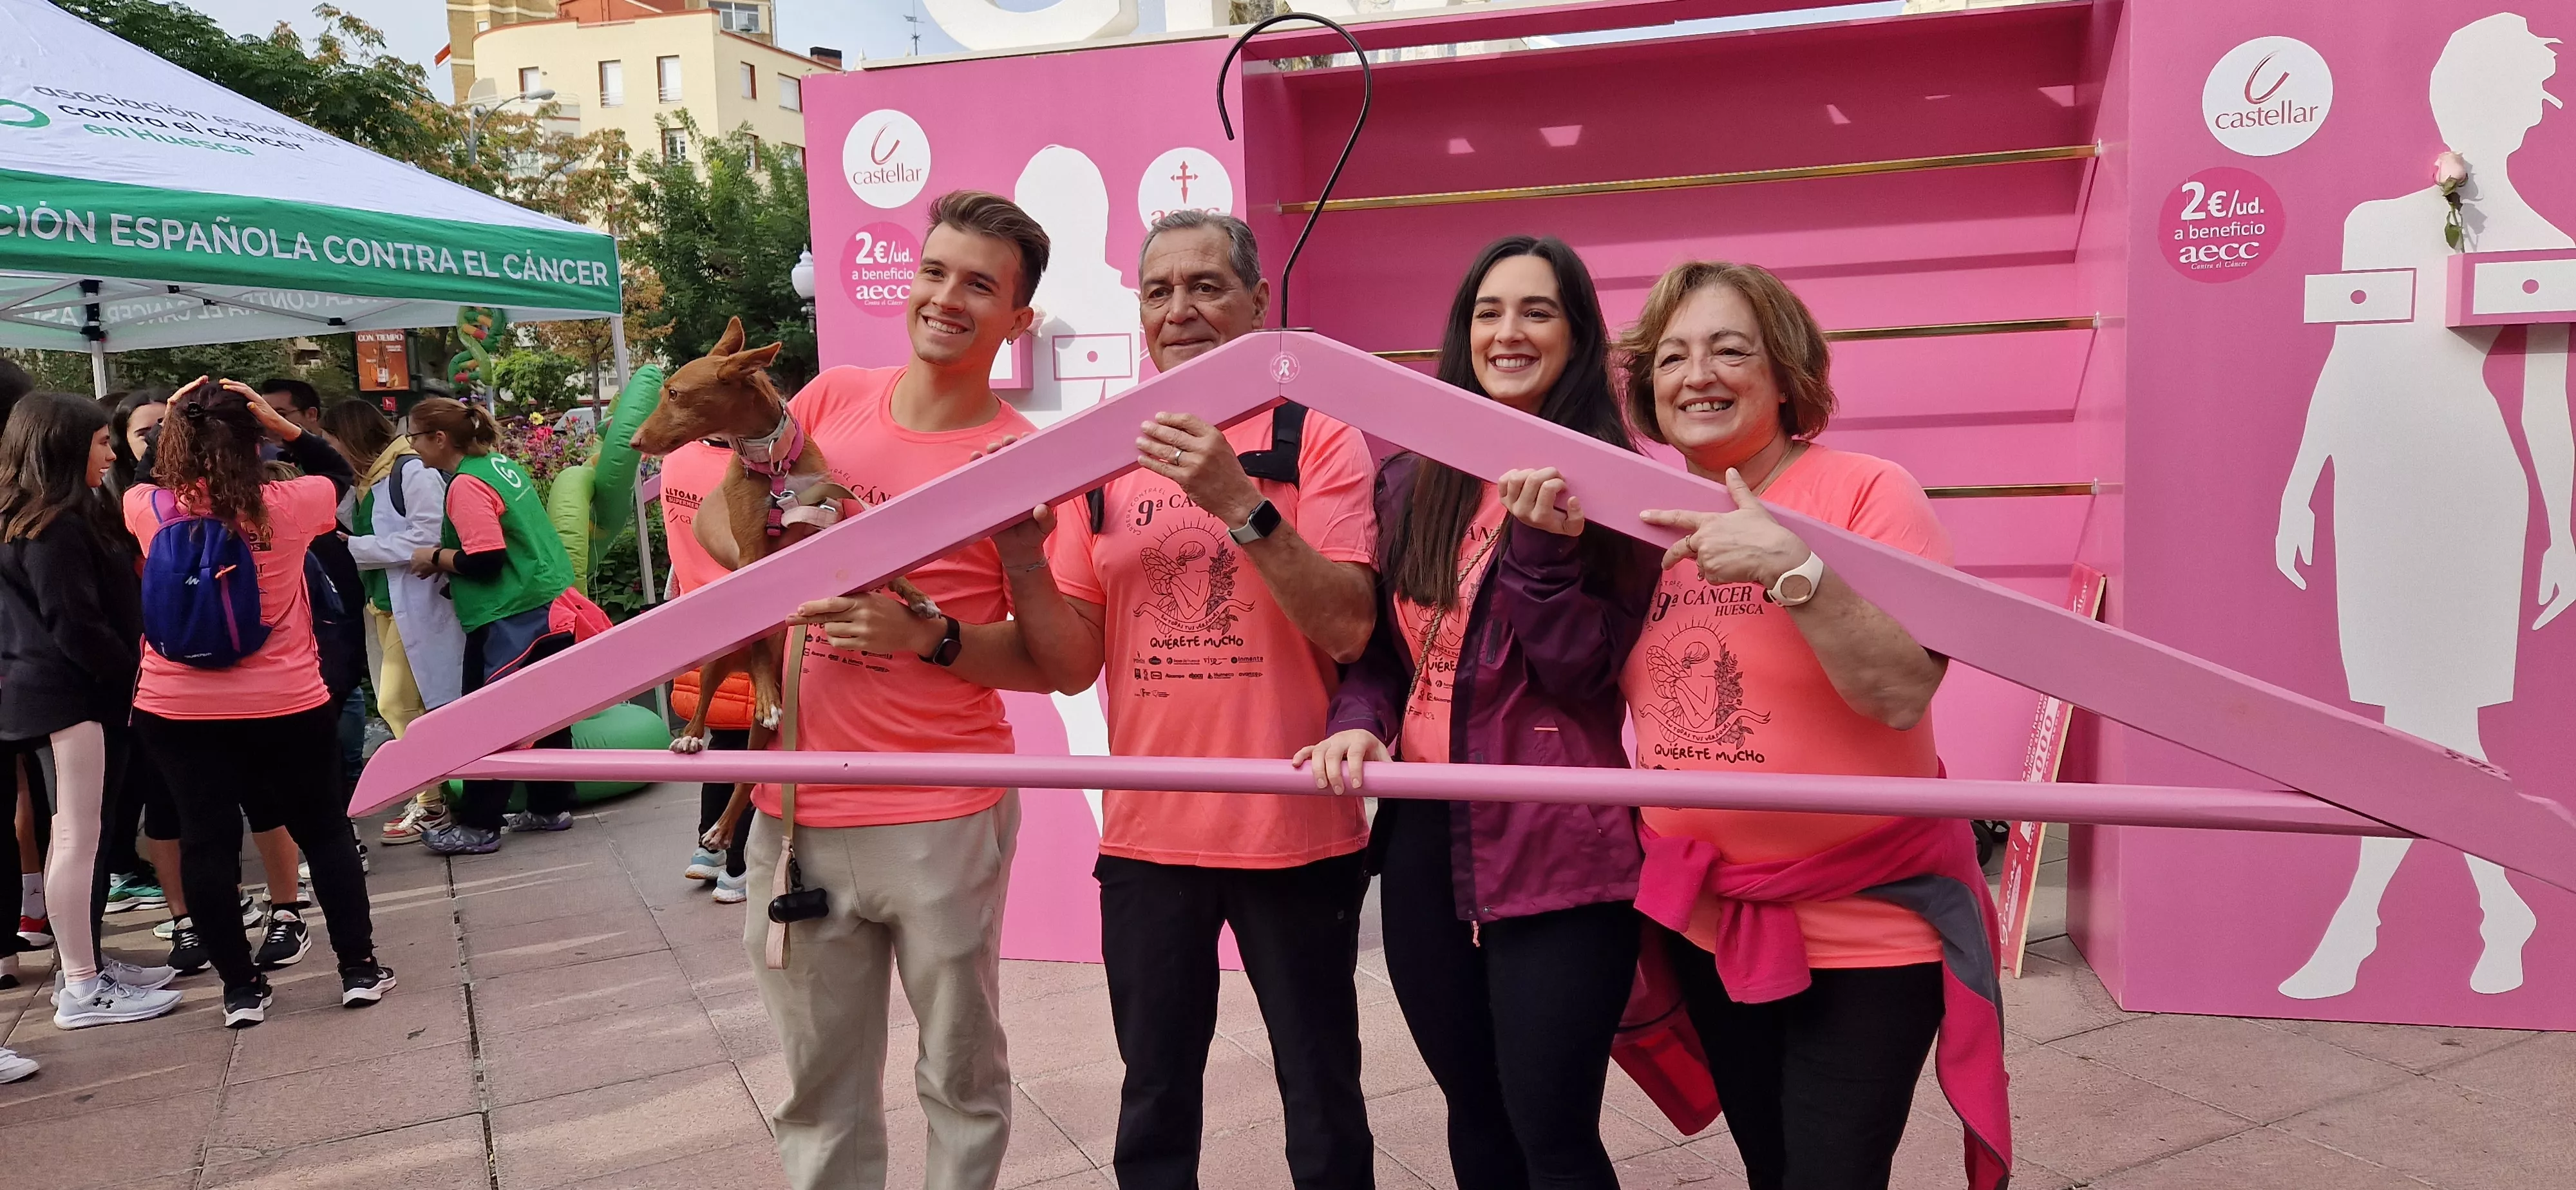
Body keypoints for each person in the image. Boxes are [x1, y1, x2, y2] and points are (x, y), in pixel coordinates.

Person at [1007, 210, 1379, 1189]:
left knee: (1323, 1094)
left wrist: (1237, 500)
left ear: (1259, 303)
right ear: (1140, 309)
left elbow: (1349, 627)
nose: (1183, 309)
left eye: (1208, 286)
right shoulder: (1098, 453)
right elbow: (1071, 662)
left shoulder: (1319, 436)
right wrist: (1020, 564)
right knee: (1155, 1096)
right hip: (1147, 836)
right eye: (1161, 290)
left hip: (1295, 832)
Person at [1615, 262, 2008, 1190]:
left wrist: (1799, 571)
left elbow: (1900, 693)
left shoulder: (1869, 491)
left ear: (1786, 373)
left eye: (1729, 349)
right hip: (1711, 922)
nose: (1696, 374)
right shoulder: (1638, 521)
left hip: (1873, 920)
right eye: (1673, 356)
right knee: (1771, 1164)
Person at [1295, 236, 1659, 1190]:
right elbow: (1383, 649)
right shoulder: (1417, 477)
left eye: (1538, 311)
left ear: (1578, 336)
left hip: (1561, 848)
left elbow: (1583, 674)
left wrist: (1542, 550)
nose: (1509, 332)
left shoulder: (1620, 487)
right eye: (1489, 312)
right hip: (1422, 842)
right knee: (1475, 1114)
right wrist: (1358, 718)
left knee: (1553, 1132)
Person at [753, 190, 1089, 1190]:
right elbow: (745, 558)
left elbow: (1062, 665)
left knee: (960, 1072)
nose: (946, 297)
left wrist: (929, 636)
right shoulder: (827, 403)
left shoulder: (1031, 459)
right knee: (819, 1089)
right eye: (936, 271)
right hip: (798, 809)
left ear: (1017, 320)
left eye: (980, 284)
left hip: (943, 806)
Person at [124, 378, 393, 1028]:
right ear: (258, 438)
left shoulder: (150, 509)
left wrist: (178, 422)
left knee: (206, 843)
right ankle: (357, 970)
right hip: (285, 702)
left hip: (175, 706)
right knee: (323, 830)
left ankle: (241, 990)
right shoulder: (292, 504)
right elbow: (339, 469)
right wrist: (285, 426)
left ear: (175, 444)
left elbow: (136, 477)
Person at [0, 392, 184, 1028]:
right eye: (102, 442)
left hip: (60, 695)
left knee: (75, 837)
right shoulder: (55, 524)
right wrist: (132, 673)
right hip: (75, 698)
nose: (111, 454)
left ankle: (86, 968)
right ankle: (82, 983)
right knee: (80, 837)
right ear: (62, 446)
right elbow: (74, 624)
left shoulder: (38, 517)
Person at [410, 397, 592, 856]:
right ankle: (550, 807)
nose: (410, 446)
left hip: (509, 616)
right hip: (545, 603)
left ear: (439, 439)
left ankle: (479, 825)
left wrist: (434, 558)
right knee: (550, 715)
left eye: (413, 436)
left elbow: (487, 560)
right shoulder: (497, 464)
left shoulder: (466, 484)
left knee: (486, 720)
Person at [328, 398, 465, 846]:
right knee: (410, 704)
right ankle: (430, 796)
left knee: (396, 703)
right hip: (384, 608)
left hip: (418, 603)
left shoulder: (410, 473)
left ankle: (432, 803)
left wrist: (355, 548)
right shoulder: (368, 482)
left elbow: (426, 539)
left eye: (334, 443)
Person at [658, 437, 755, 903]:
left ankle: (708, 849)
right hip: (745, 615)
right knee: (754, 743)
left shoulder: (676, 461)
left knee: (721, 734)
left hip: (695, 613)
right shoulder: (745, 466)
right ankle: (738, 866)